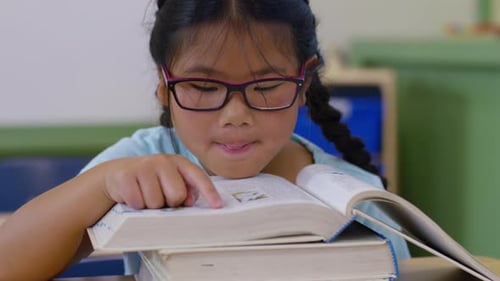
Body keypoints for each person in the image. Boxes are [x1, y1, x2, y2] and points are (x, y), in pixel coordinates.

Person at [0, 0, 410, 279]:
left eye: (266, 85)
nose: (235, 117)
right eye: (201, 85)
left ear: (303, 81)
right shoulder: (143, 161)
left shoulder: (355, 197)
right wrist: (103, 183)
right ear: (164, 86)